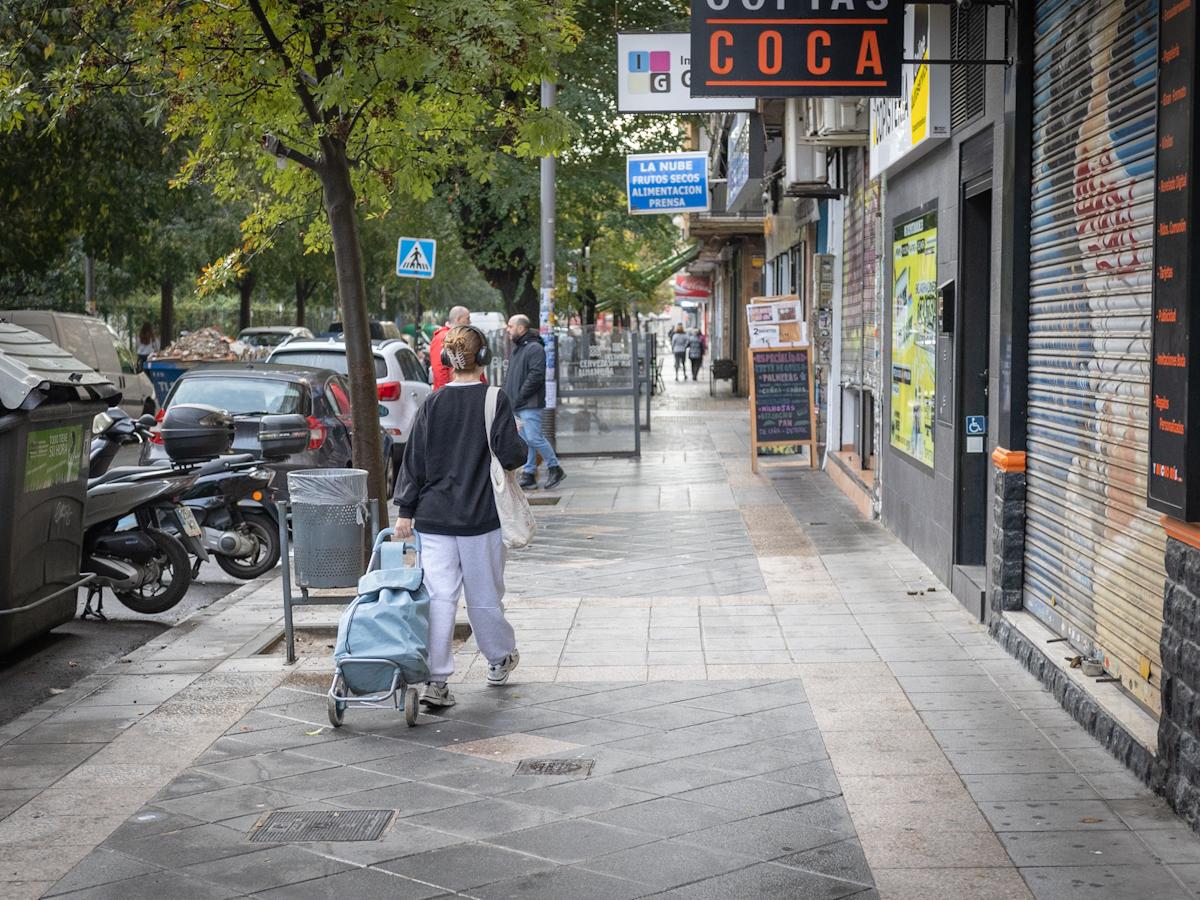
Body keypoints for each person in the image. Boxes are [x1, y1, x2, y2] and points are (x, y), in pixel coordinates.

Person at [393, 325, 526, 708]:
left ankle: (436, 682)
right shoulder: (494, 399)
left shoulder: (432, 403)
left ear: (447, 362)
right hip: (480, 518)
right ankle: (499, 659)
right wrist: (518, 436)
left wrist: (406, 511)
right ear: (483, 359)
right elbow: (513, 456)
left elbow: (414, 459)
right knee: (484, 597)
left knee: (439, 598)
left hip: (433, 520)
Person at [504, 315, 566, 490]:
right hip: (519, 404)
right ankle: (529, 474)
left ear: (521, 328)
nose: (508, 330)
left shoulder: (534, 348)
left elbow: (536, 376)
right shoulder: (519, 348)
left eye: (510, 326)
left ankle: (555, 467)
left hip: (529, 403)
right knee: (526, 440)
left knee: (534, 437)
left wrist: (520, 396)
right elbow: (513, 377)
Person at [429, 306, 473, 390]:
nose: (470, 322)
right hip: (450, 395)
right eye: (467, 319)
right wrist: (446, 394)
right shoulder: (442, 338)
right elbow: (440, 371)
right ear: (458, 319)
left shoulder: (454, 336)